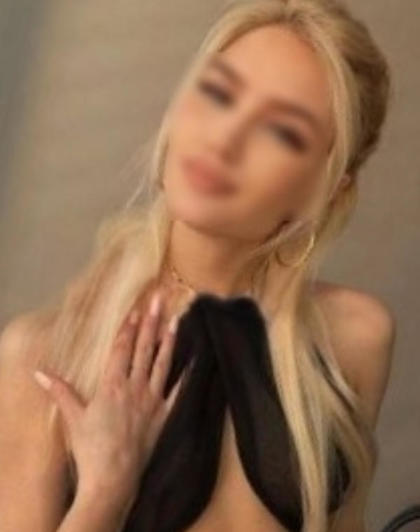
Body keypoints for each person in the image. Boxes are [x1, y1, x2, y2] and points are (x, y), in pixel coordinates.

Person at [0, 0, 397, 531]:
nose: (224, 139)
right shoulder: (48, 358)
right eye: (218, 93)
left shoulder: (355, 336)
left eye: (282, 132)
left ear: (322, 191)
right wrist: (103, 494)